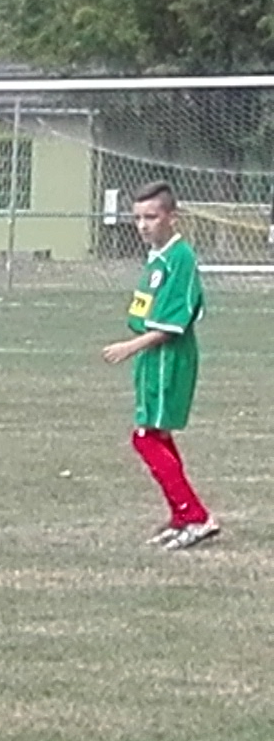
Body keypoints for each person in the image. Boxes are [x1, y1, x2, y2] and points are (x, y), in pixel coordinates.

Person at [107, 180, 218, 550]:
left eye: (151, 217)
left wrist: (130, 347)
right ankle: (182, 516)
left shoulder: (180, 258)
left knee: (145, 437)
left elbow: (172, 324)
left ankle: (196, 515)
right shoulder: (157, 256)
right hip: (151, 357)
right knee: (158, 436)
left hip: (167, 357)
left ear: (172, 217)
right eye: (138, 218)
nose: (143, 225)